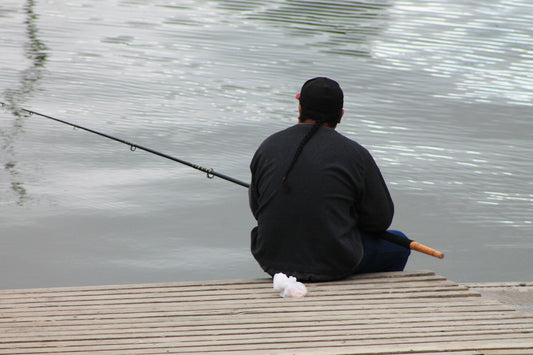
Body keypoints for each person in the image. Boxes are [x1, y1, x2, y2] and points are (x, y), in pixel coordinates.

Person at [248, 77, 410, 282]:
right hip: (334, 263)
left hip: (273, 260)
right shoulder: (356, 154)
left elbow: (257, 210)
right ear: (340, 115)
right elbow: (380, 220)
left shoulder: (267, 147)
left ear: (300, 108)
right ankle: (371, 300)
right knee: (399, 244)